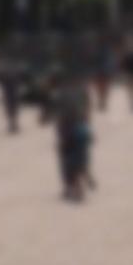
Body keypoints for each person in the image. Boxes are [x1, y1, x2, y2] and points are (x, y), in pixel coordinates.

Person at [52, 63, 94, 201]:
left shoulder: (60, 94)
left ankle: (73, 186)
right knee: (81, 155)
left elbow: (54, 111)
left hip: (67, 129)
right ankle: (84, 173)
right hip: (82, 127)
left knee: (67, 159)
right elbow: (88, 109)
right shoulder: (83, 90)